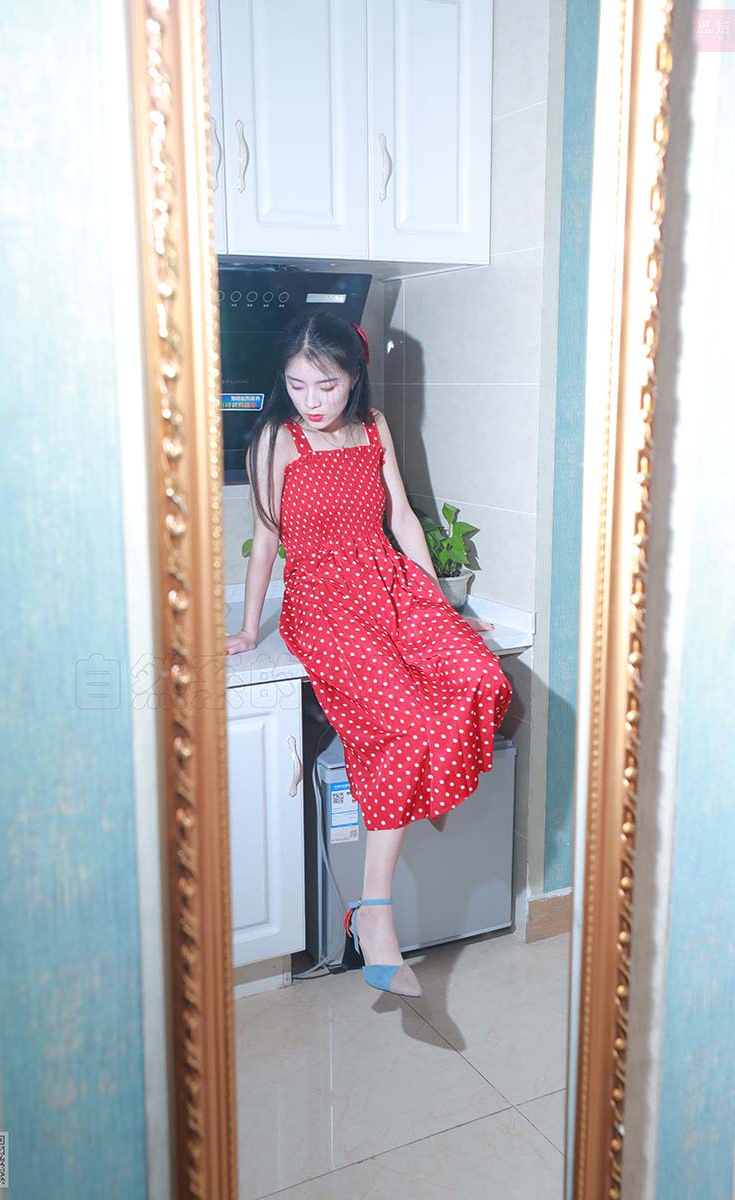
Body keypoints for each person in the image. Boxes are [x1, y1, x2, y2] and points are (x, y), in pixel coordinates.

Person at [225, 311, 513, 998]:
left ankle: (417, 787)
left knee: (481, 675)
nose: (311, 400)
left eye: (326, 385)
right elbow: (265, 540)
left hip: (391, 583)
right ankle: (374, 911)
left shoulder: (375, 425)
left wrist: (442, 609)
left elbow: (403, 519)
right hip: (324, 603)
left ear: (353, 378)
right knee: (409, 724)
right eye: (297, 385)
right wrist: (248, 629)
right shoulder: (277, 440)